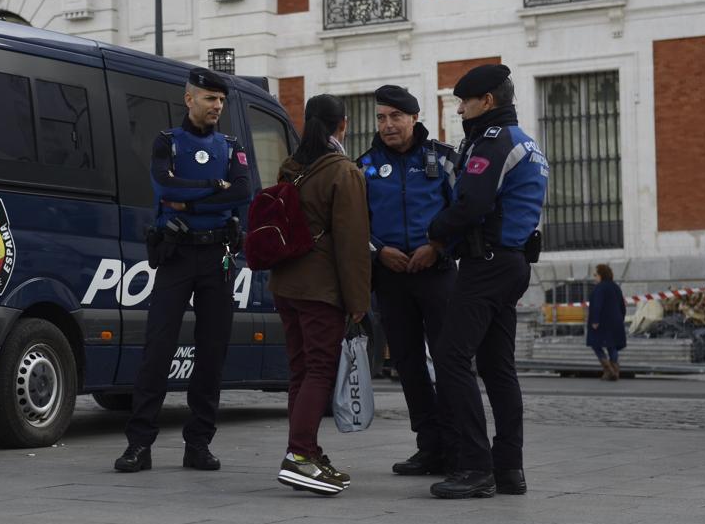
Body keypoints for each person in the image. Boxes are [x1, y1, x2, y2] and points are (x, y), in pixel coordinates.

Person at [114, 67, 250, 473]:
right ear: (189, 99)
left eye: (221, 100)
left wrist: (190, 203)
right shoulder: (167, 143)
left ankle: (199, 445)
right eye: (210, 99)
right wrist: (216, 189)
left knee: (212, 351)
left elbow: (244, 193)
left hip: (218, 257)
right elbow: (163, 187)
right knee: (158, 348)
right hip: (176, 255)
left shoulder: (231, 145)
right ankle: (139, 445)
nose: (217, 106)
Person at [425, 64, 548, 499]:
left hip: (487, 265)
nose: (459, 109)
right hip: (510, 264)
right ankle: (509, 468)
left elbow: (472, 203)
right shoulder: (526, 143)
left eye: (465, 102)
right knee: (498, 368)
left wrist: (434, 231)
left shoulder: (494, 142)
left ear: (488, 102)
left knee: (451, 357)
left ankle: (476, 467)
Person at [269, 94, 370, 496]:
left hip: (286, 285)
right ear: (342, 125)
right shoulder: (343, 172)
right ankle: (299, 456)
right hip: (320, 289)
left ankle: (307, 452)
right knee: (319, 371)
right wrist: (359, 302)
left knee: (300, 370)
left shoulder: (291, 166)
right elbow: (352, 243)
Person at [359, 85, 459, 476]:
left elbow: (463, 212)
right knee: (408, 364)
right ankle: (429, 445)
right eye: (381, 117)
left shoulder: (445, 159)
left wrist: (437, 246)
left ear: (415, 118)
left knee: (450, 361)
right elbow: (354, 223)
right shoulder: (364, 166)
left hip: (436, 275)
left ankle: (457, 445)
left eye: (395, 117)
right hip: (391, 278)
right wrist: (378, 251)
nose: (387, 125)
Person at [587, 264, 627, 381]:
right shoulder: (616, 287)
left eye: (595, 275)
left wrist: (595, 320)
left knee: (595, 344)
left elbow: (596, 305)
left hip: (602, 322)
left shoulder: (600, 288)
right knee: (612, 346)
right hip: (616, 322)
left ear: (601, 275)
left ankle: (609, 370)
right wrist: (621, 318)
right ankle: (614, 370)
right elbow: (622, 306)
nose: (594, 277)